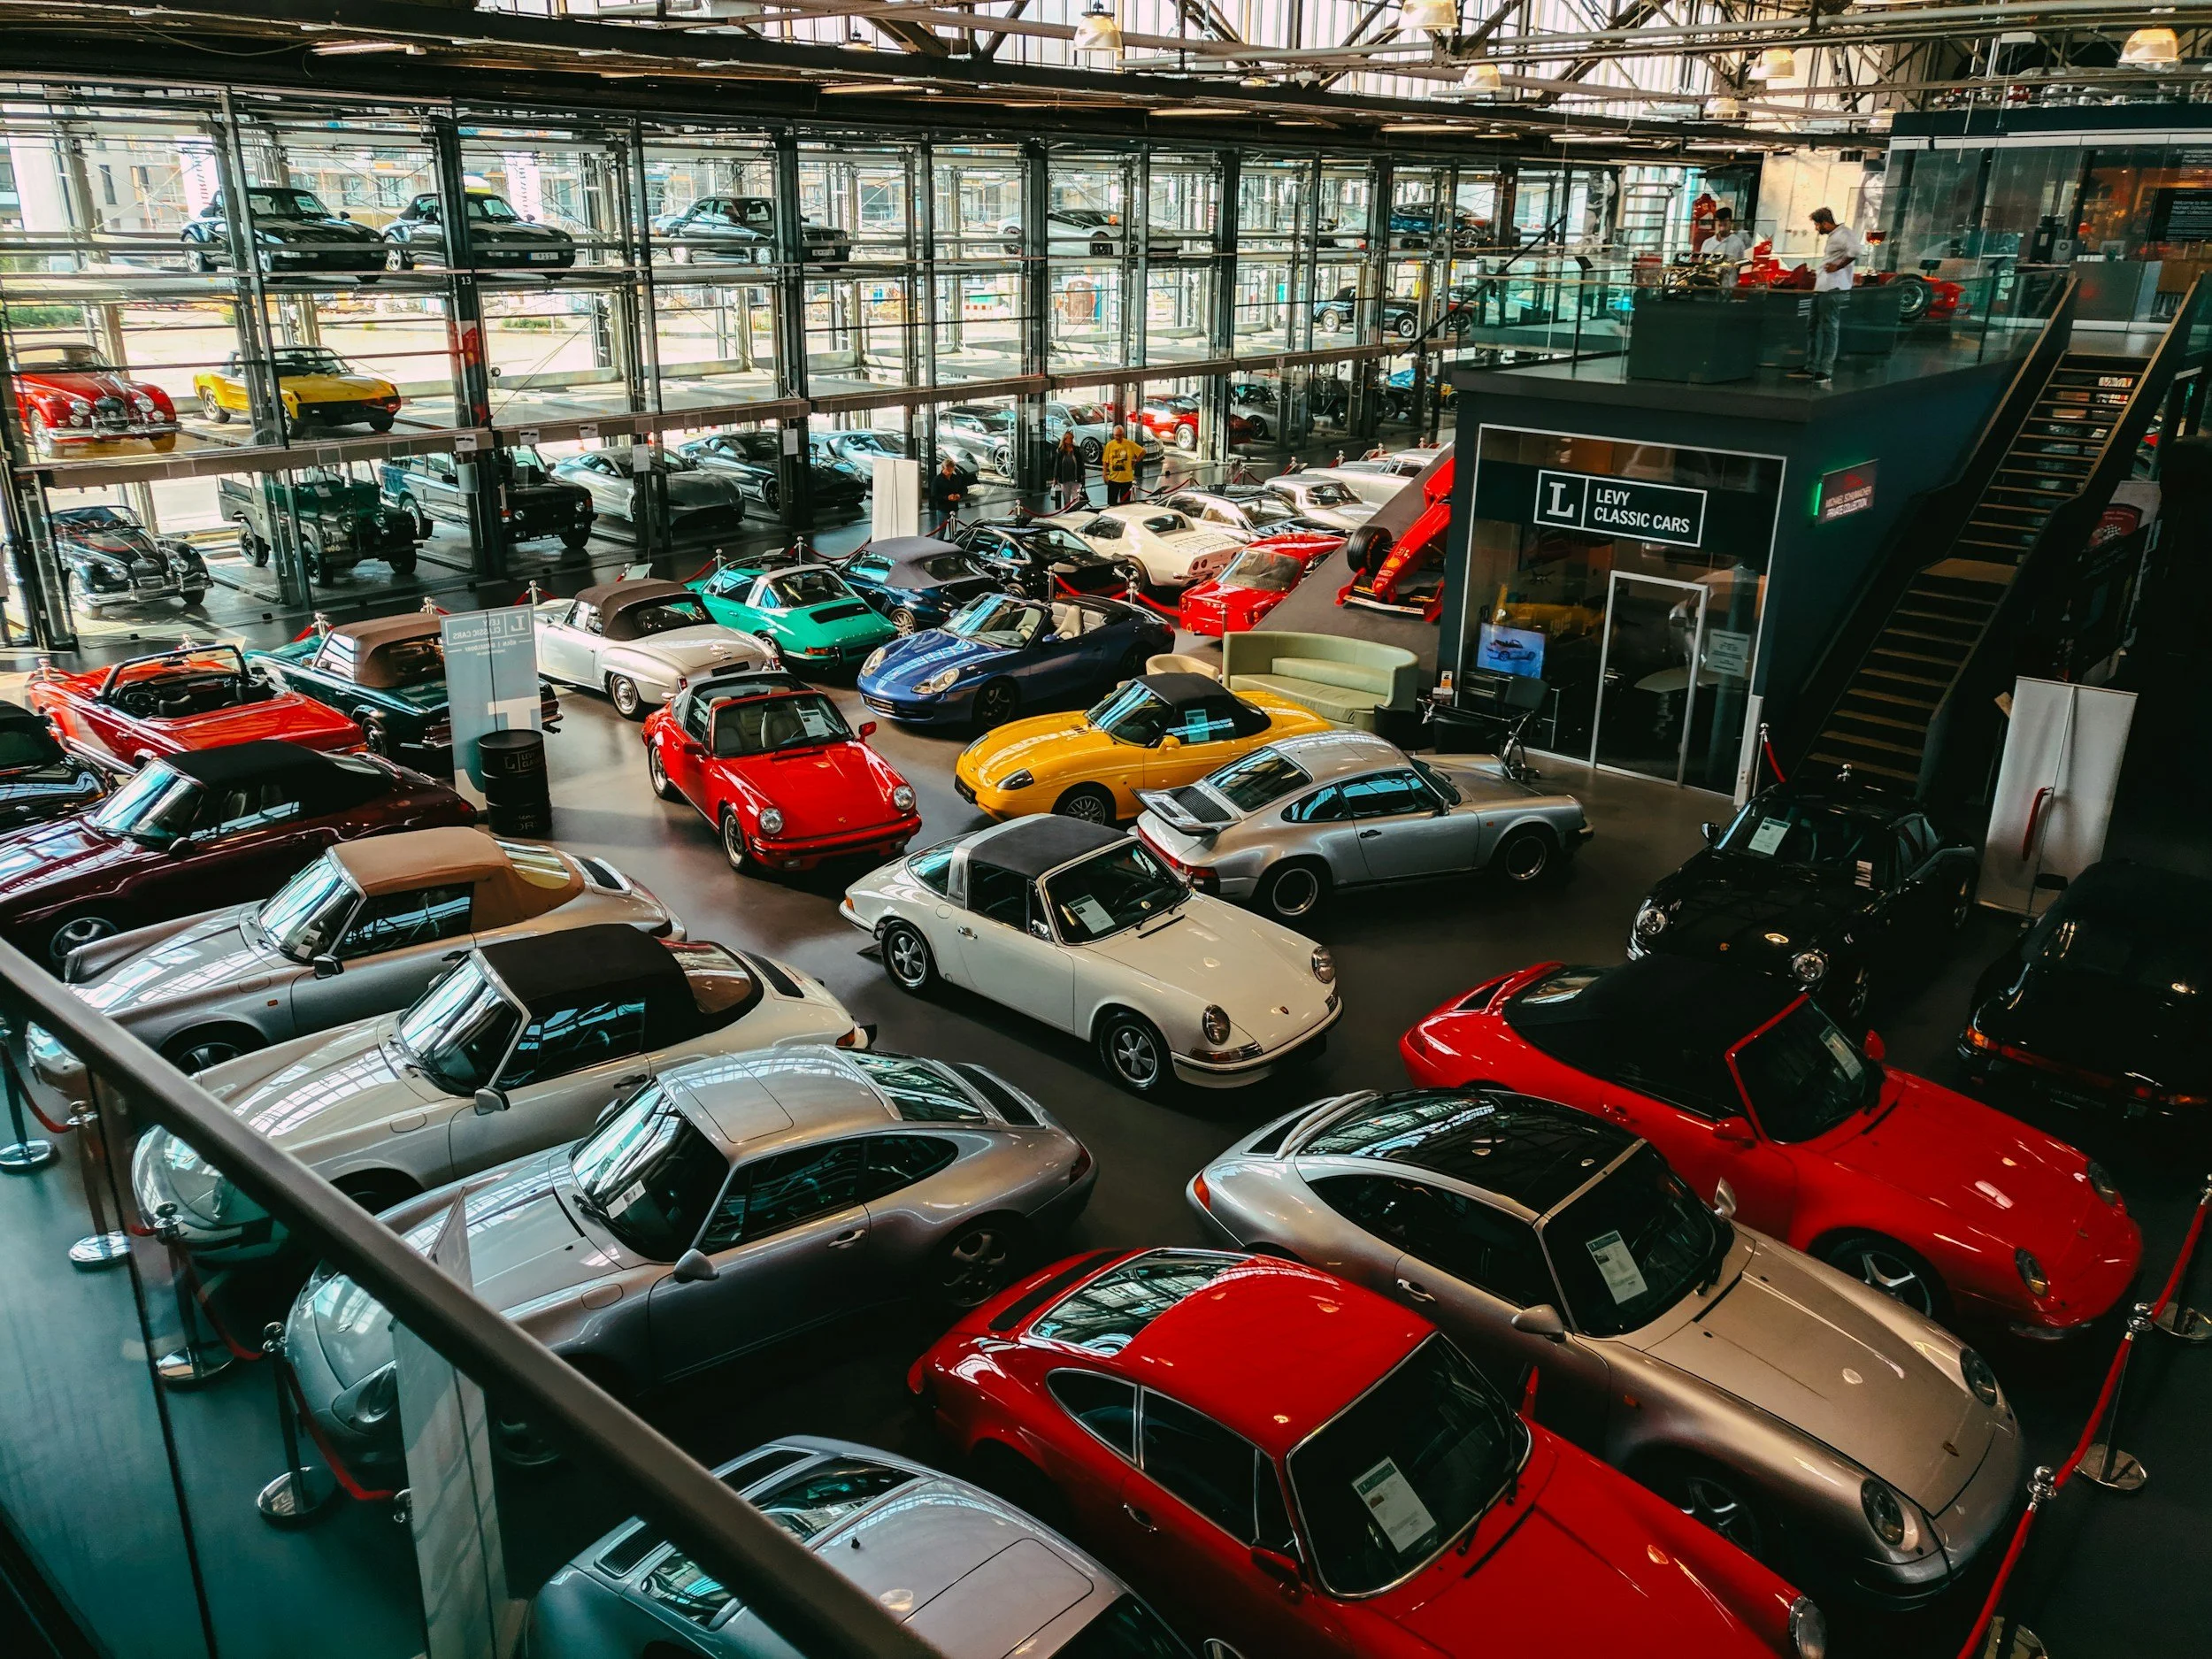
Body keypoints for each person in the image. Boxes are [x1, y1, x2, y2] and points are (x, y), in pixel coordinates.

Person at [1793, 206, 1863, 386]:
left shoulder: (1844, 234)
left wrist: (1838, 267)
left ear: (1825, 223)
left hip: (1833, 287)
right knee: (1813, 325)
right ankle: (1811, 365)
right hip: (1822, 287)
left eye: (1817, 225)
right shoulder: (1835, 236)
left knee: (1829, 327)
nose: (1816, 229)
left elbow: (1855, 251)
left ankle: (1825, 369)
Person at [1704, 206, 1754, 278]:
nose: (1722, 225)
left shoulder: (1737, 243)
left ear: (1731, 223)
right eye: (1719, 222)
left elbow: (1742, 267)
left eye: (1725, 222)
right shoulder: (1707, 243)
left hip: (1728, 283)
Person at [1100, 422, 1141, 506]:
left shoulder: (1130, 443)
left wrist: (1136, 461)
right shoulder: (1110, 445)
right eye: (1116, 435)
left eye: (1120, 435)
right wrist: (1104, 473)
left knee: (1125, 504)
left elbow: (1142, 452)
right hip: (1113, 479)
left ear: (1123, 434)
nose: (1118, 437)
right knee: (1111, 503)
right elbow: (1105, 460)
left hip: (1126, 479)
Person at [1050, 430, 1087, 510]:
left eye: (1071, 438)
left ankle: (1075, 512)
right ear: (1065, 440)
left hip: (1075, 478)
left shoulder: (1076, 450)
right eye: (1069, 438)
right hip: (1064, 479)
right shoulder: (1060, 452)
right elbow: (1057, 465)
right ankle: (1067, 512)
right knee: (1066, 499)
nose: (1070, 440)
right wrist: (1055, 478)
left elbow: (1081, 463)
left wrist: (1083, 475)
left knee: (1076, 498)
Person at [928, 455, 967, 521]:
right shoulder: (937, 479)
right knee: (942, 530)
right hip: (942, 509)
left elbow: (962, 489)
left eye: (951, 470)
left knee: (954, 529)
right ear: (943, 468)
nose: (949, 472)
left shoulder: (956, 478)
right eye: (947, 469)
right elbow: (934, 494)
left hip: (954, 507)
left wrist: (959, 495)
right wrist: (947, 497)